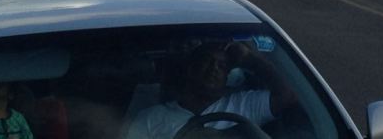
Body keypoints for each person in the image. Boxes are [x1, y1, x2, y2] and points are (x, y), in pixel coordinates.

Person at [126, 42, 296, 139]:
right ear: (190, 69)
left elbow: (286, 96)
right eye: (207, 61)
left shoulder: (243, 105)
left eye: (222, 66)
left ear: (227, 78)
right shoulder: (151, 118)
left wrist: (252, 59)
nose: (214, 68)